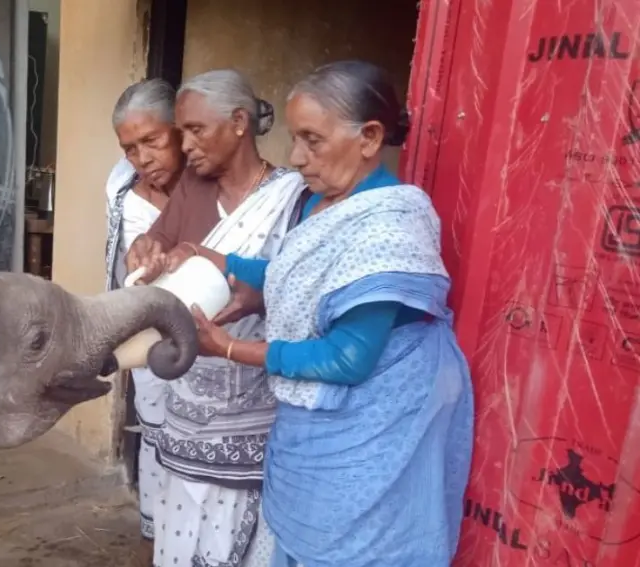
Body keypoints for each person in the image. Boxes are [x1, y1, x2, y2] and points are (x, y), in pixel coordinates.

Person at [168, 60, 475, 567]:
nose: (295, 157)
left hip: (369, 439)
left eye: (312, 140)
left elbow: (348, 358)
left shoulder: (392, 225)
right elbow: (295, 275)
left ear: (370, 137)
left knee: (358, 547)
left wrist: (228, 349)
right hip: (310, 433)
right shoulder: (322, 205)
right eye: (294, 138)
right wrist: (218, 261)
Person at [126, 69, 305, 567]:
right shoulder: (193, 189)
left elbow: (301, 289)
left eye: (195, 130)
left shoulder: (292, 199)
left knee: (238, 536)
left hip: (251, 411)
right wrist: (146, 250)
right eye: (180, 131)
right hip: (186, 405)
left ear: (240, 122)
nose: (186, 144)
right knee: (182, 525)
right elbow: (158, 245)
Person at [102, 78, 184, 564]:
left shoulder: (216, 193)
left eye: (152, 141)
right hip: (149, 341)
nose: (142, 158)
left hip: (213, 343)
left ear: (181, 131)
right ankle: (154, 538)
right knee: (154, 438)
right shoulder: (121, 192)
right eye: (130, 149)